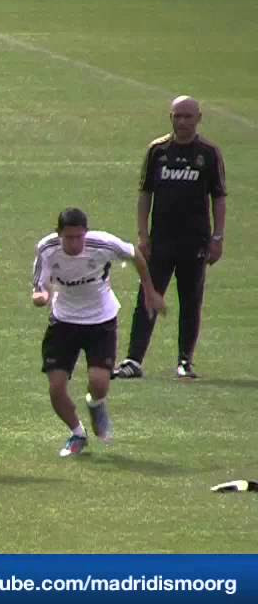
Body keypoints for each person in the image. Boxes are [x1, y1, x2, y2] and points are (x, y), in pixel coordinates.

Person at [32, 208, 165, 458]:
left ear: (86, 233)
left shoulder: (103, 243)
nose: (74, 243)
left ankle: (95, 405)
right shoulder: (47, 248)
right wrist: (42, 295)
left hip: (100, 321)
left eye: (79, 237)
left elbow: (135, 255)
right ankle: (77, 434)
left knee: (99, 384)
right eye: (68, 237)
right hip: (64, 321)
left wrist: (149, 290)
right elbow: (41, 282)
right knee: (56, 387)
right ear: (58, 234)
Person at [114, 95, 226, 380]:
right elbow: (145, 194)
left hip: (195, 241)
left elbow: (218, 198)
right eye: (177, 116)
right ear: (170, 118)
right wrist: (143, 234)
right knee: (148, 296)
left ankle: (185, 361)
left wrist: (217, 237)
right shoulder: (157, 151)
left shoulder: (209, 154)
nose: (182, 122)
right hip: (160, 240)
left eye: (188, 116)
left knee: (191, 300)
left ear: (198, 118)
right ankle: (133, 359)